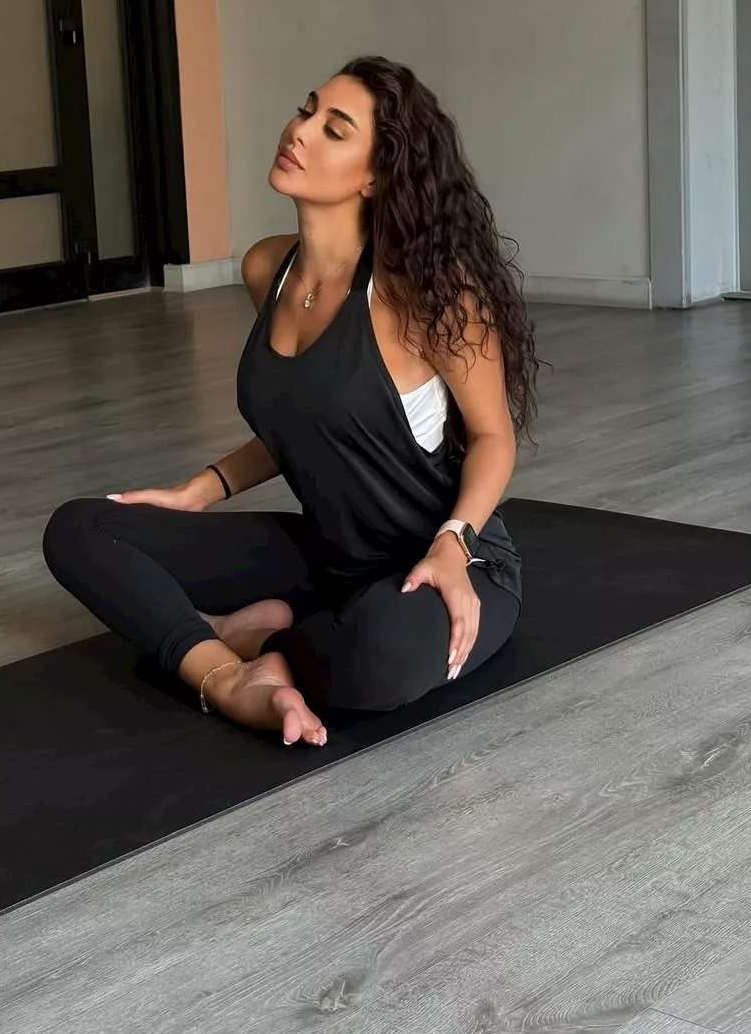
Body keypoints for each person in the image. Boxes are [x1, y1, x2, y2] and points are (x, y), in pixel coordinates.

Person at [43, 55, 543, 749]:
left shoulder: (429, 297)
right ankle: (226, 673)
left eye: (334, 129)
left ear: (376, 176)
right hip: (327, 556)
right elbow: (308, 421)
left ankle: (262, 641)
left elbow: (494, 438)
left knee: (379, 658)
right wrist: (201, 489)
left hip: (444, 562)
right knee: (81, 529)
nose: (300, 131)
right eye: (307, 110)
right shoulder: (266, 269)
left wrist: (454, 543)